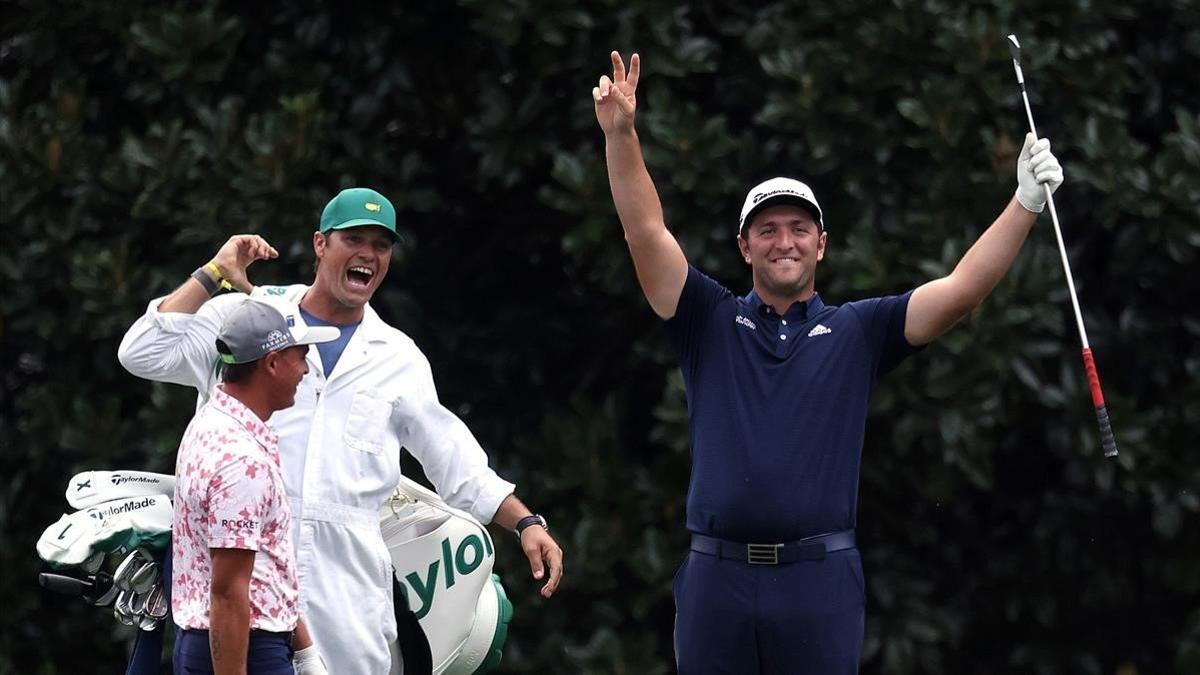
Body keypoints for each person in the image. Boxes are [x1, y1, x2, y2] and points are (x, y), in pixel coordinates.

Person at [591, 51, 1063, 673]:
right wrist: (621, 135)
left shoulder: (858, 329)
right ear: (744, 246)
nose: (783, 241)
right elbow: (644, 231)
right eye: (767, 229)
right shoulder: (706, 318)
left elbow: (960, 291)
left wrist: (1025, 203)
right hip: (717, 577)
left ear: (822, 243)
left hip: (819, 581)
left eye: (798, 228)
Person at [119, 187, 564, 675]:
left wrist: (526, 523)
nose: (368, 255)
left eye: (382, 245)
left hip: (348, 601)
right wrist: (213, 275)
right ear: (319, 244)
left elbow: (455, 461)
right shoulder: (255, 316)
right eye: (354, 238)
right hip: (242, 590)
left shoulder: (397, 356)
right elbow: (142, 352)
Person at [172, 298, 338, 674]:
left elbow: (261, 565)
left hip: (217, 643)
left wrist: (305, 651)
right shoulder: (241, 461)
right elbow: (229, 593)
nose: (305, 369)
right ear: (273, 363)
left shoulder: (212, 420)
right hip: (244, 650)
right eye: (301, 356)